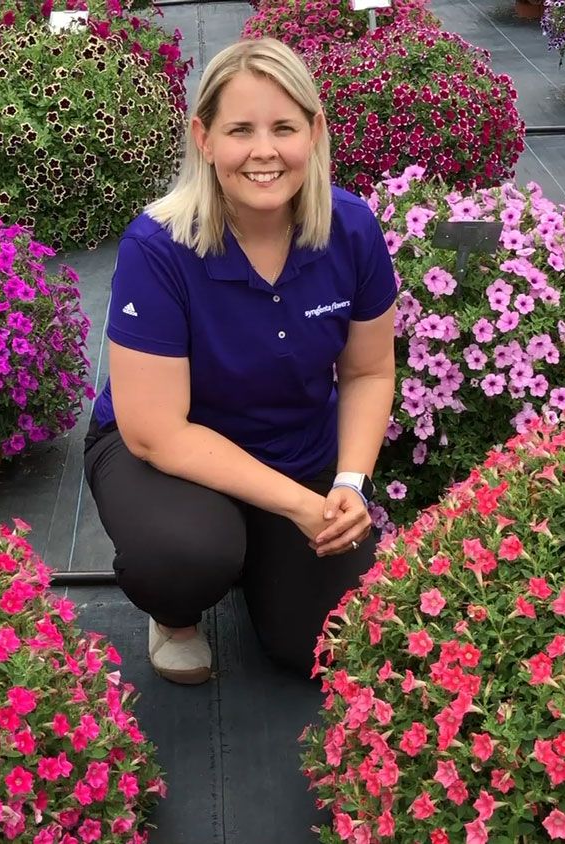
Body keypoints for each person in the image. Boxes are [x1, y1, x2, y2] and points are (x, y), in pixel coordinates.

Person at [82, 37, 398, 685]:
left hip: (296, 448)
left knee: (317, 647)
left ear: (314, 131)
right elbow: (156, 431)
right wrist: (300, 507)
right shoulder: (159, 245)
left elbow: (368, 372)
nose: (263, 151)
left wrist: (348, 485)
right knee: (185, 554)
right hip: (168, 462)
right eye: (239, 130)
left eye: (284, 127)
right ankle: (176, 613)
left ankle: (261, 558)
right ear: (203, 138)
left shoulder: (352, 228)